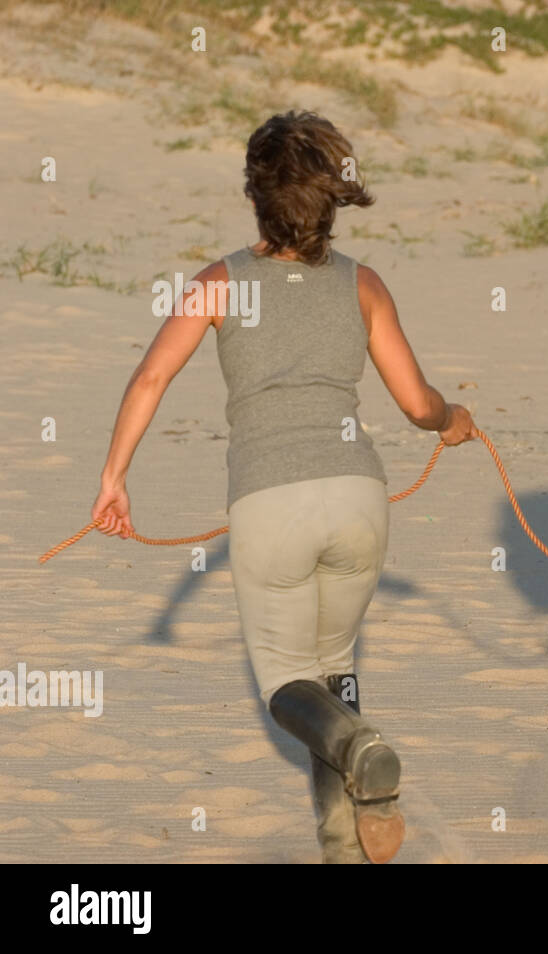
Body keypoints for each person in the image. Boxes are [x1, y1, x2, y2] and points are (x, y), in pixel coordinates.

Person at [91, 111, 475, 863]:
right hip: (359, 497)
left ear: (255, 198)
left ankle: (361, 751)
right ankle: (344, 847)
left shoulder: (218, 282)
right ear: (330, 201)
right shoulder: (363, 285)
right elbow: (417, 403)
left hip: (271, 502)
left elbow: (152, 376)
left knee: (287, 686)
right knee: (334, 672)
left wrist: (114, 478)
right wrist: (452, 419)